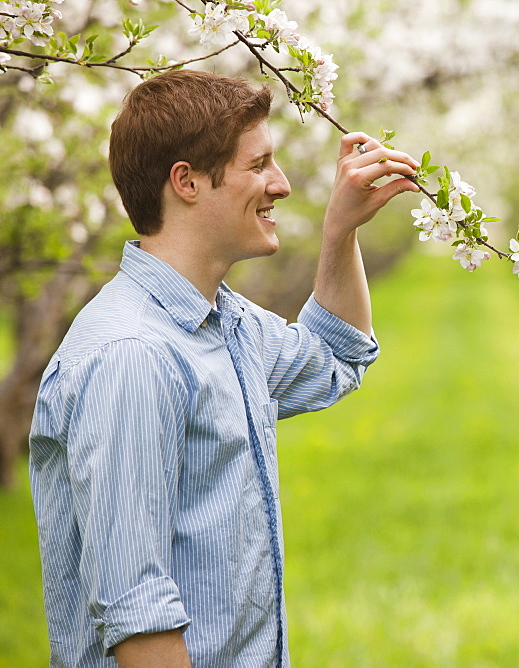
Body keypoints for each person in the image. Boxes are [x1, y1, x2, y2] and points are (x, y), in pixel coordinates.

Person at [28, 69, 419, 666]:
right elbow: (137, 613)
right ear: (185, 181)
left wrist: (340, 231)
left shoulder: (224, 321)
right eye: (259, 164)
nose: (281, 185)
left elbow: (336, 356)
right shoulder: (133, 357)